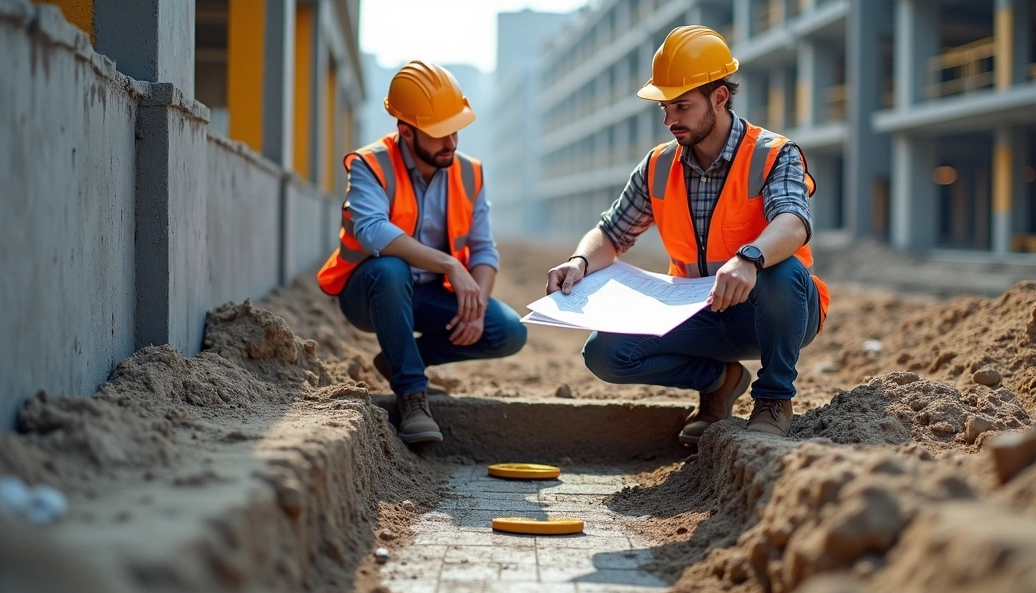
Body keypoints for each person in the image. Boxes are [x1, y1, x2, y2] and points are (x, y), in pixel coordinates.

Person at [545, 26, 830, 443]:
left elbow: (794, 221)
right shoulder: (658, 165)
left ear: (720, 97)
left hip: (777, 311)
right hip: (699, 311)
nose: (669, 120)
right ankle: (719, 381)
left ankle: (773, 399)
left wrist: (749, 259)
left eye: (681, 106)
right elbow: (611, 233)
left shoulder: (773, 153)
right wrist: (580, 261)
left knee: (780, 271)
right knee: (605, 353)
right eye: (665, 108)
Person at [318, 61, 526, 444]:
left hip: (427, 295)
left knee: (508, 330)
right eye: (439, 133)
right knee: (391, 268)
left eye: (455, 130)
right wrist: (449, 265)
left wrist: (477, 302)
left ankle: (398, 360)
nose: (451, 143)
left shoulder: (469, 173)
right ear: (406, 131)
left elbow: (483, 249)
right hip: (370, 293)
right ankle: (412, 395)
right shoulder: (370, 164)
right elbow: (371, 231)